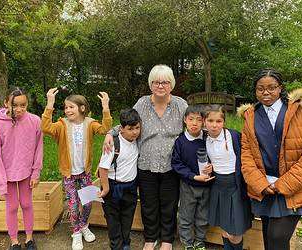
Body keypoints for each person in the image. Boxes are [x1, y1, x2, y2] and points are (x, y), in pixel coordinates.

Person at [239, 68, 302, 250]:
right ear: (255, 91)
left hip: (292, 187)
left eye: (271, 87)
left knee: (277, 237)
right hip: (265, 187)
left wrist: (283, 184)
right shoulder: (251, 116)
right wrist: (261, 184)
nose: (266, 92)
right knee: (268, 236)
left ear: (280, 88)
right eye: (260, 88)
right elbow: (246, 154)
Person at [104, 64, 188, 250]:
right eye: (156, 82)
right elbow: (127, 123)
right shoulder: (142, 104)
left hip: (171, 164)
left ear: (171, 85)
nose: (160, 86)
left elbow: (193, 124)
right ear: (150, 84)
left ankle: (167, 239)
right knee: (149, 204)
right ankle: (150, 238)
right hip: (145, 163)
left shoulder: (180, 105)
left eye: (165, 82)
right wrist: (111, 133)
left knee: (169, 203)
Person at [41, 88, 112, 250]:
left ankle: (84, 225)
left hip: (85, 173)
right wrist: (50, 104)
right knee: (73, 206)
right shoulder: (61, 124)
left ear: (82, 108)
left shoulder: (90, 123)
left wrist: (105, 107)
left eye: (71, 107)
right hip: (69, 174)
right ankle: (76, 233)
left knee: (87, 204)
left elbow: (105, 129)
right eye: (65, 108)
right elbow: (45, 128)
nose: (67, 110)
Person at [0, 87, 43, 250]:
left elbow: (38, 148)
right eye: (14, 105)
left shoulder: (34, 121)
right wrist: (0, 180)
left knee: (27, 204)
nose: (19, 109)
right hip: (7, 174)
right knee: (11, 206)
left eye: (23, 105)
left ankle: (29, 238)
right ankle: (14, 241)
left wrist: (36, 172)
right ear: (6, 103)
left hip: (27, 171)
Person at [205, 107, 252, 250]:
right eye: (210, 121)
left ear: (224, 122)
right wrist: (208, 168)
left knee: (235, 232)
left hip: (235, 186)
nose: (214, 125)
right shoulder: (204, 139)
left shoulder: (234, 136)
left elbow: (249, 155)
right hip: (218, 186)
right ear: (204, 122)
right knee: (224, 228)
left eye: (218, 121)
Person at [171, 105, 214, 250]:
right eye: (191, 119)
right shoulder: (180, 141)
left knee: (203, 215)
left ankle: (200, 240)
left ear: (203, 122)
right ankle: (187, 242)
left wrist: (212, 167)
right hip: (188, 185)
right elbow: (177, 164)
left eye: (198, 120)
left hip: (207, 185)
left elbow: (217, 157)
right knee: (186, 215)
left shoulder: (209, 138)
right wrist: (193, 177)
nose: (194, 123)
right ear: (185, 120)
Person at [98, 108, 141, 250]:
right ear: (121, 129)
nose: (135, 132)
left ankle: (126, 243)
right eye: (130, 129)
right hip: (113, 187)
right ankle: (116, 245)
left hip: (130, 187)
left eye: (137, 128)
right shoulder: (113, 145)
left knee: (127, 217)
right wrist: (105, 188)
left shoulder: (137, 141)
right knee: (113, 220)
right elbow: (103, 168)